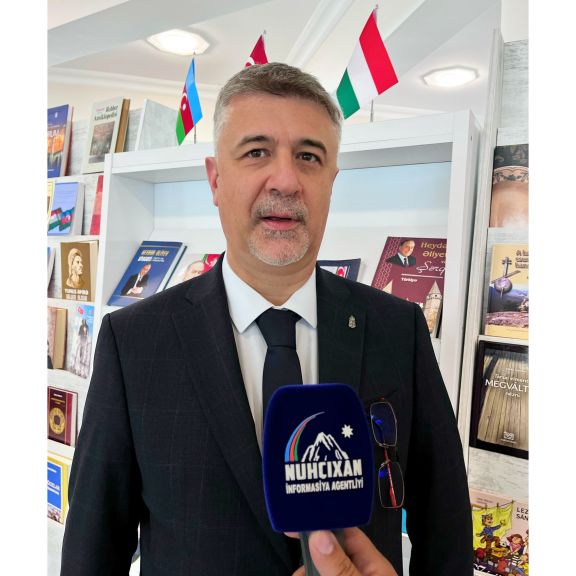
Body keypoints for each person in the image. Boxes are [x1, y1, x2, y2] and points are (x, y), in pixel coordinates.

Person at [61, 63, 472, 575]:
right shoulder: (135, 342)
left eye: (308, 157)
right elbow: (92, 548)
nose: (286, 180)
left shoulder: (399, 328)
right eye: (257, 152)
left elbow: (445, 527)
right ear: (216, 179)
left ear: (331, 181)